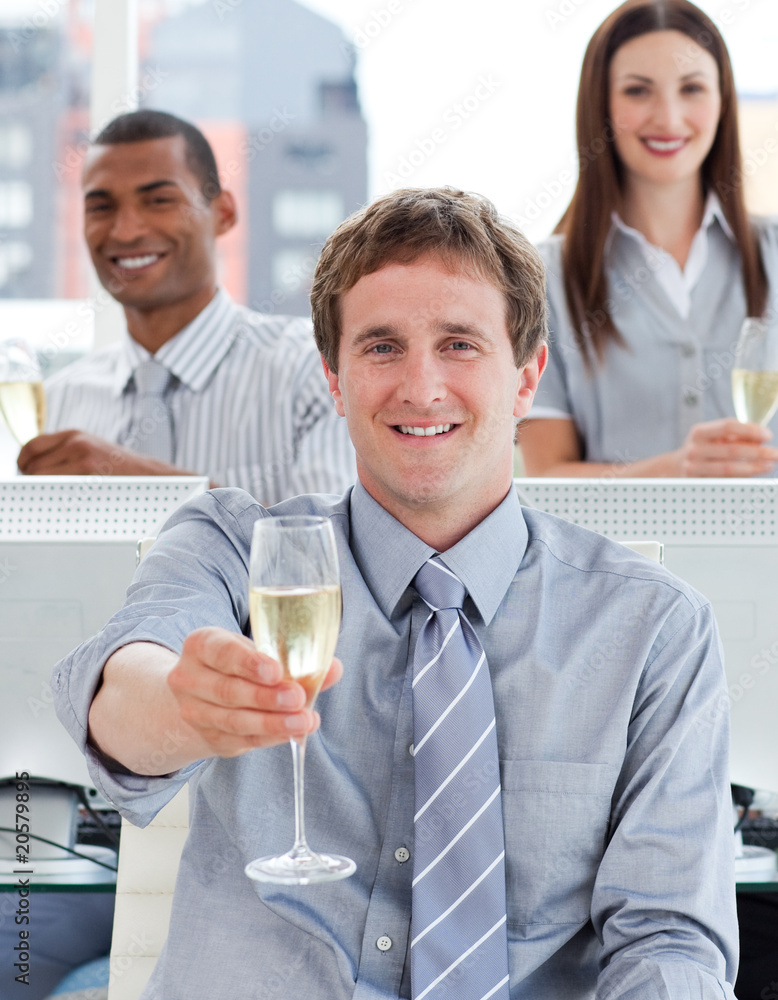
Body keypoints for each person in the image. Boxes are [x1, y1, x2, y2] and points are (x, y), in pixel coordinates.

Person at [52, 187, 738, 999]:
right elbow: (123, 691)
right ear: (335, 381)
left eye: (459, 345)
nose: (420, 387)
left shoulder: (654, 628)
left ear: (527, 378)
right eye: (381, 347)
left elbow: (668, 940)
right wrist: (184, 706)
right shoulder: (235, 547)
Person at [16, 109, 355, 504]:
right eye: (101, 208)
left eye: (159, 200)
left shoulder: (314, 373)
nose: (125, 231)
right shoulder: (58, 404)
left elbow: (323, 537)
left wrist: (135, 481)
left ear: (223, 213)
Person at [519, 0, 778, 479]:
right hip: (607, 536)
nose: (669, 117)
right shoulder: (545, 277)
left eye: (692, 88)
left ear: (723, 101)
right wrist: (674, 471)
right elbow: (548, 477)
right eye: (638, 91)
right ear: (601, 106)